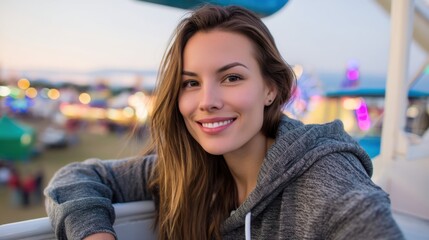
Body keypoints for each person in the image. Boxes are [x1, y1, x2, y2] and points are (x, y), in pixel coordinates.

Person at [44, 5, 404, 240]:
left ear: (271, 89)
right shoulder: (190, 169)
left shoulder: (323, 176)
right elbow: (77, 178)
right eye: (191, 83)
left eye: (231, 78)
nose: (208, 101)